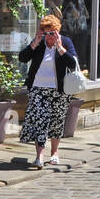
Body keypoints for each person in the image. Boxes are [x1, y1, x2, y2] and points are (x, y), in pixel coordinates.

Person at [18, 14, 78, 168]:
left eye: (52, 33)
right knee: (41, 121)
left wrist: (60, 48)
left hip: (59, 90)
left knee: (57, 122)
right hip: (38, 89)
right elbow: (22, 58)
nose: (49, 37)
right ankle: (39, 156)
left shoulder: (65, 42)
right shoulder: (38, 43)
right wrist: (34, 43)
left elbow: (72, 64)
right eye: (46, 33)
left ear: (57, 31)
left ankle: (55, 152)